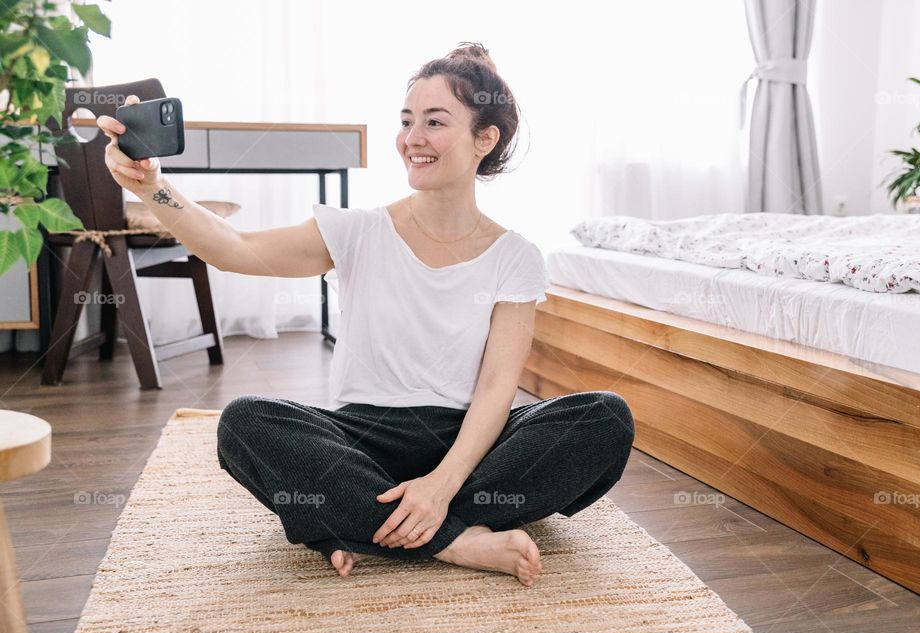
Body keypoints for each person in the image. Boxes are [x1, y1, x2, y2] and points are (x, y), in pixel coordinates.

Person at [97, 42, 635, 587]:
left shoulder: (515, 255)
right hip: (361, 437)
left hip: (468, 444)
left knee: (605, 419)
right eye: (406, 122)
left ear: (485, 139)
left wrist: (442, 484)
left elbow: (498, 387)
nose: (412, 139)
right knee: (244, 423)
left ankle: (361, 523)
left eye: (434, 122)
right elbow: (231, 248)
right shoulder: (357, 231)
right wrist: (153, 187)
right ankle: (457, 541)